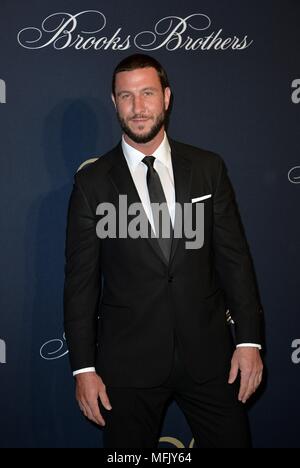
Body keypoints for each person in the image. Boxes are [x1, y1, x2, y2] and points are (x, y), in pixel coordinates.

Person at [64, 53, 264, 448]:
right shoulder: (92, 184)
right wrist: (83, 368)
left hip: (210, 359)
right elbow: (81, 284)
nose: (138, 108)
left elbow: (234, 260)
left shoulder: (208, 168)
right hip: (128, 363)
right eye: (127, 96)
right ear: (114, 103)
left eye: (148, 93)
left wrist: (248, 341)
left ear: (167, 97)